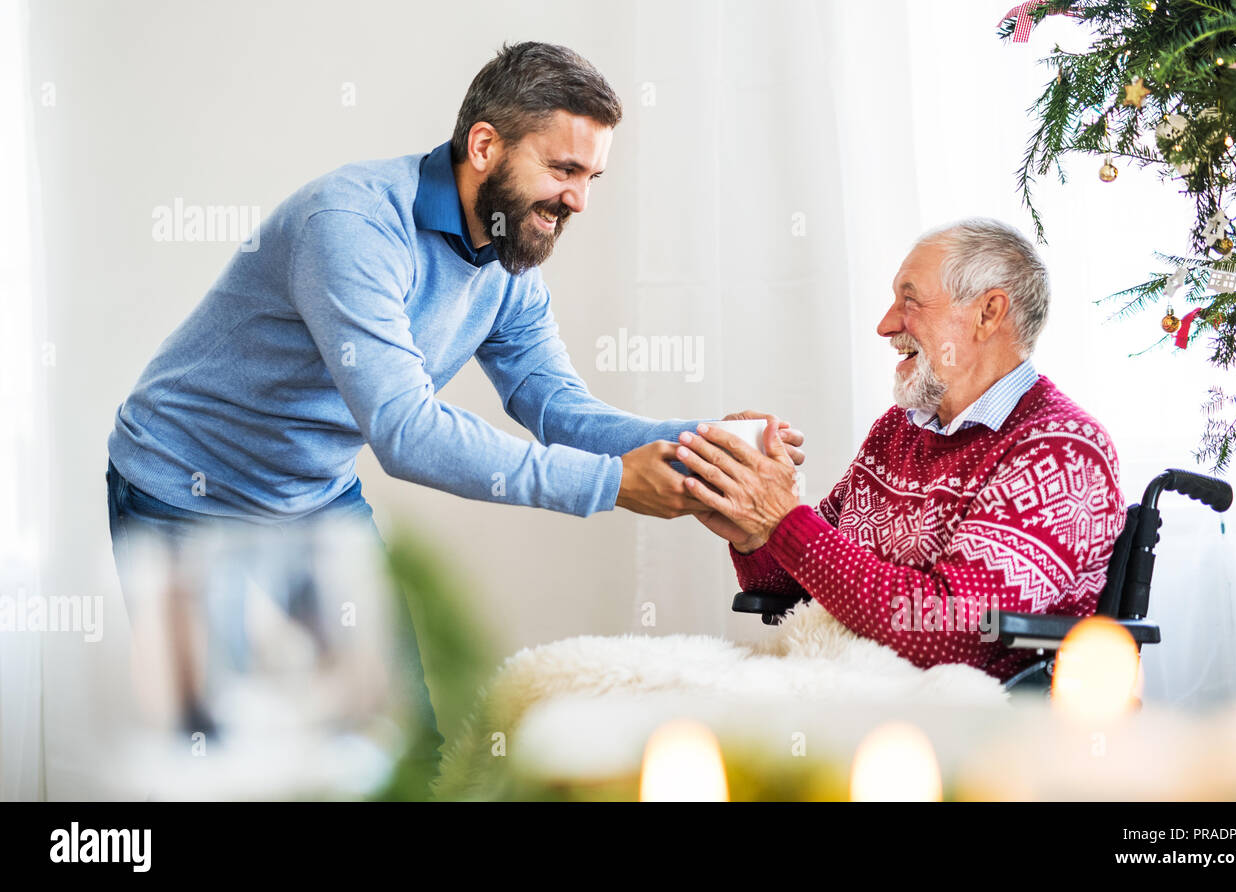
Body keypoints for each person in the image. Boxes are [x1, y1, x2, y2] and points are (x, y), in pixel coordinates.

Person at [106, 42, 804, 786]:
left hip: (312, 496)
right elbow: (405, 432)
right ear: (483, 146)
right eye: (564, 170)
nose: (579, 201)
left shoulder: (508, 262)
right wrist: (608, 484)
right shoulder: (350, 223)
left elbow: (557, 407)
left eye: (592, 177)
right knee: (221, 760)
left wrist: (702, 444)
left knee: (401, 747)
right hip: (179, 491)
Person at [676, 218, 1126, 682]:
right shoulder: (899, 430)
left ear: (988, 313)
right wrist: (752, 528)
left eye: (909, 301)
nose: (885, 325)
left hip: (977, 717)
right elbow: (793, 584)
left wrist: (782, 519)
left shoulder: (1061, 451)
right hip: (848, 685)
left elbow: (952, 631)